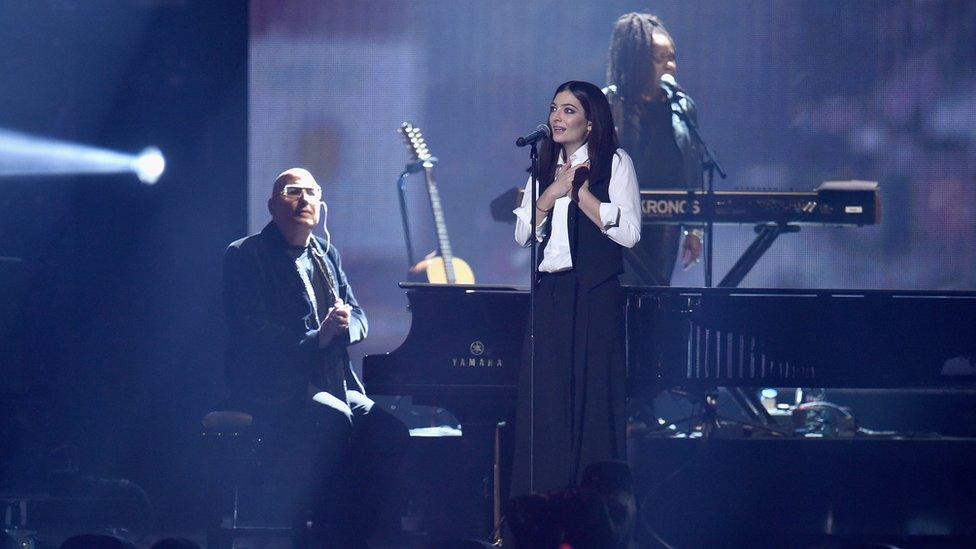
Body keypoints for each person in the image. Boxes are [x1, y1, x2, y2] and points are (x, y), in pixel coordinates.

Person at [222, 168, 406, 548]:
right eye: (292, 192)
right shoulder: (245, 255)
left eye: (311, 193)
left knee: (390, 432)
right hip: (276, 385)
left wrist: (344, 324)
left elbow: (359, 316)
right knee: (334, 420)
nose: (304, 200)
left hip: (334, 382)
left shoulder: (326, 253)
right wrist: (317, 338)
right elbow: (252, 333)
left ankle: (359, 534)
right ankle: (320, 535)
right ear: (273, 205)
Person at [511, 81, 641, 498]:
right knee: (547, 405)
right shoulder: (544, 167)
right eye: (554, 109)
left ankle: (593, 518)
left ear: (590, 122)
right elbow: (521, 236)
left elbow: (632, 233)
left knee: (592, 403)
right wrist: (550, 193)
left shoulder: (614, 162)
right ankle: (541, 514)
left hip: (594, 295)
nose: (556, 118)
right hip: (551, 296)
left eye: (568, 110)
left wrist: (583, 196)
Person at [607, 12, 704, 286]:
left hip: (666, 220)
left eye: (672, 57)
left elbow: (693, 167)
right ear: (636, 61)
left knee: (656, 295)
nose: (670, 66)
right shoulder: (610, 104)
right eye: (660, 59)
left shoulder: (682, 107)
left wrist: (695, 229)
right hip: (617, 220)